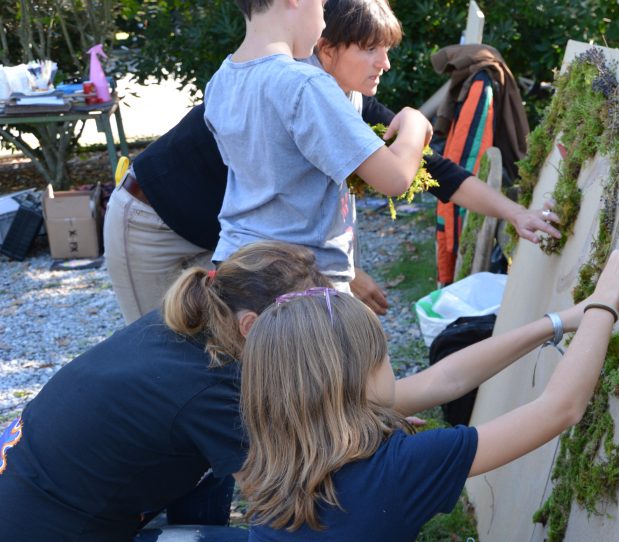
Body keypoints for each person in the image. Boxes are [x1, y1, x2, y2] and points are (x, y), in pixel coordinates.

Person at [0, 242, 485, 542]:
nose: (322, 346)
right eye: (306, 326)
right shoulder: (215, 392)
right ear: (253, 325)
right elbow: (314, 532)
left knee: (214, 474)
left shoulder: (188, 331)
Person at [164, 245, 619, 542]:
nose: (393, 367)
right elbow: (559, 408)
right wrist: (606, 302)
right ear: (354, 383)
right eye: (384, 357)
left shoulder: (278, 446)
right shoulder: (398, 467)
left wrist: (562, 320)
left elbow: (447, 379)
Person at [103, 0, 560, 324]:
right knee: (173, 357)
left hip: (240, 247)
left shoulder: (337, 96)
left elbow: (433, 172)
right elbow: (392, 177)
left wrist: (515, 213)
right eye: (369, 48)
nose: (384, 63)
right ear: (325, 46)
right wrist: (342, 272)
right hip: (154, 218)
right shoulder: (297, 91)